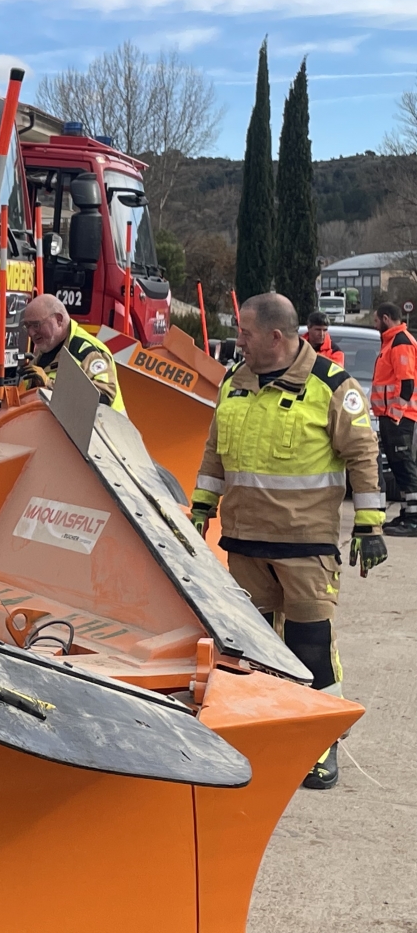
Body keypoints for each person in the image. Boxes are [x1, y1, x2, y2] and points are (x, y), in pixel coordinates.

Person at [190, 293, 386, 790]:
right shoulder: (235, 383)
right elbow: (214, 453)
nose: (239, 341)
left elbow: (363, 455)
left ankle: (321, 741)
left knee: (310, 645)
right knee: (253, 650)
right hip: (244, 544)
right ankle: (266, 731)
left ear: (275, 337)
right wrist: (201, 509)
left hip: (306, 546)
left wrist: (370, 525)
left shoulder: (331, 386)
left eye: (245, 333)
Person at [19, 294, 124, 411]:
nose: (31, 333)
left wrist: (49, 385)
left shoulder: (87, 352)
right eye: (27, 326)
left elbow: (102, 398)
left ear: (59, 320)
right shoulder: (45, 349)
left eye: (36, 325)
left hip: (103, 423)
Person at [371, 302, 417, 537]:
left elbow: (406, 384)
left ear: (386, 318)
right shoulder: (392, 341)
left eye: (376, 320)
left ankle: (414, 519)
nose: (375, 324)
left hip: (399, 417)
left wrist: (396, 415)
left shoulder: (400, 342)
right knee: (399, 465)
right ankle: (408, 513)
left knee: (404, 465)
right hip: (391, 416)